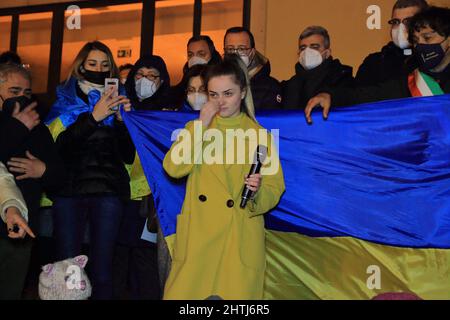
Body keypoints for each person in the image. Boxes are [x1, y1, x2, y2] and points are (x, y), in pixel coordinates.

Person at [162, 55, 285, 300]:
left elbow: (275, 187)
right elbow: (174, 168)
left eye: (228, 93)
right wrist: (201, 125)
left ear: (242, 92)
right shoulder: (195, 128)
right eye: (214, 94)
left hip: (237, 239)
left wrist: (257, 191)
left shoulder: (260, 135)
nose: (220, 101)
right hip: (198, 238)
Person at [45, 41, 135, 300]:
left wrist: (121, 123)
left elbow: (128, 155)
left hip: (108, 192)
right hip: (69, 192)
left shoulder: (121, 98)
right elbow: (60, 149)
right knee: (69, 268)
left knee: (103, 270)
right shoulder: (65, 98)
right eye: (93, 63)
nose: (99, 69)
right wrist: (93, 117)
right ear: (81, 66)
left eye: (105, 65)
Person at [305, 6, 449, 124]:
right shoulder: (409, 83)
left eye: (428, 38)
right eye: (416, 41)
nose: (421, 45)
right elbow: (360, 96)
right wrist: (329, 95)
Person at [0, 63, 64, 299]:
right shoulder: (16, 125)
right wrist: (15, 127)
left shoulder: (38, 130)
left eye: (26, 93)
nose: (22, 100)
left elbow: (60, 178)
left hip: (22, 229)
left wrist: (43, 170)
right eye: (14, 92)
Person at [113, 55, 174, 300]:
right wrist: (121, 122)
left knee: (145, 261)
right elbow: (124, 155)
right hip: (122, 195)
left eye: (152, 76)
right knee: (117, 259)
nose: (144, 81)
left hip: (152, 199)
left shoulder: (169, 113)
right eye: (139, 75)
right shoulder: (122, 108)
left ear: (162, 81)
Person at [356, 0, 429, 86]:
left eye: (408, 22)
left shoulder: (433, 59)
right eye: (395, 22)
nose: (400, 28)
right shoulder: (374, 64)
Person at [282, 26, 354, 109]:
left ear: (327, 53)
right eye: (303, 48)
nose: (307, 52)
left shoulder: (342, 79)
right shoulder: (290, 85)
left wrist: (329, 96)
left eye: (314, 47)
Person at [224, 27, 282, 110]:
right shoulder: (215, 83)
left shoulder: (269, 86)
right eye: (230, 49)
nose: (235, 54)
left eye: (241, 49)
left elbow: (269, 120)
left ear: (252, 52)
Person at [171, 35, 222, 107]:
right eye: (190, 55)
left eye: (201, 54)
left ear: (212, 56)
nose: (195, 59)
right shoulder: (178, 91)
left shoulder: (222, 82)